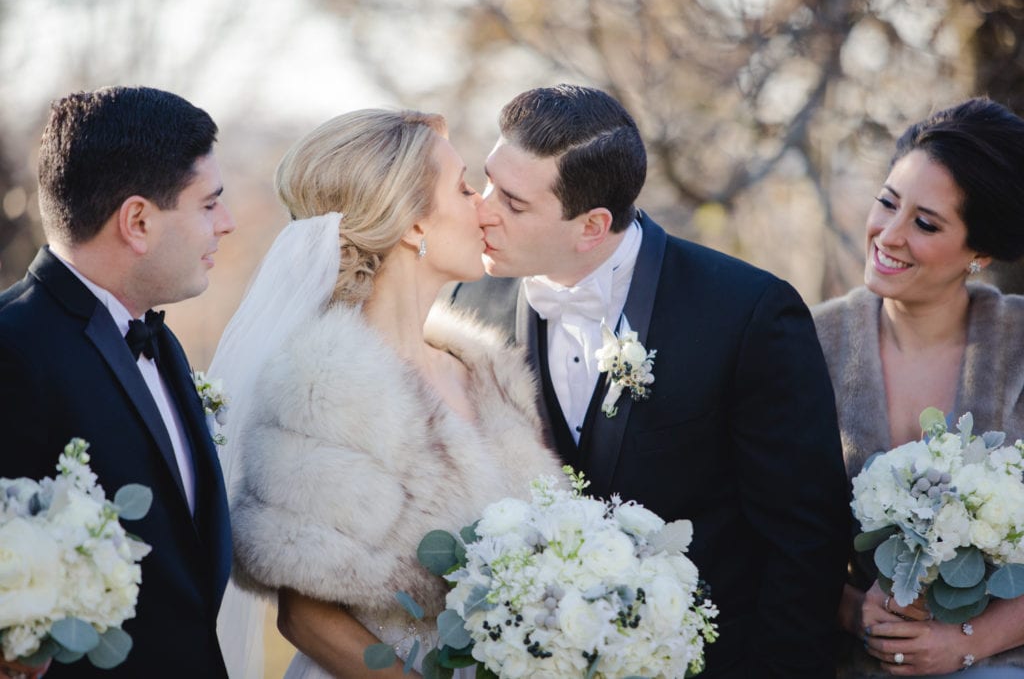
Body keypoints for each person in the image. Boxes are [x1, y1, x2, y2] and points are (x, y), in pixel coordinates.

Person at [448, 84, 851, 678]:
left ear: (592, 226)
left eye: (512, 202)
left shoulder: (748, 313)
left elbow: (806, 541)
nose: (482, 209)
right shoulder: (469, 300)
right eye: (487, 183)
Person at [213, 108, 563, 679]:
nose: (484, 207)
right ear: (414, 226)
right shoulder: (323, 386)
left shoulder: (488, 373)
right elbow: (304, 617)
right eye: (465, 187)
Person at [0, 86, 235, 677]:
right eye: (209, 205)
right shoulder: (12, 351)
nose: (227, 224)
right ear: (137, 221)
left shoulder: (161, 342)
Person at [814, 97, 1024, 677]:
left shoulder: (1019, 346)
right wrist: (856, 612)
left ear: (979, 253)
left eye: (926, 223)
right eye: (887, 202)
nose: (890, 234)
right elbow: (772, 526)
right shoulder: (809, 343)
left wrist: (969, 641)